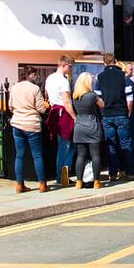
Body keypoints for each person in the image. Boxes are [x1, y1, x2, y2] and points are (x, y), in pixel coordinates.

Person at [9, 67, 49, 193]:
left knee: (19, 156)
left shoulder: (14, 87)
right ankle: (42, 185)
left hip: (17, 124)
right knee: (37, 156)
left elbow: (10, 106)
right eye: (35, 75)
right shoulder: (35, 89)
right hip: (32, 125)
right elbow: (41, 108)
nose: (36, 77)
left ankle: (19, 185)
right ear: (30, 75)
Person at [96, 54, 134, 183]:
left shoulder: (99, 77)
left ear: (104, 63)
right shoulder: (123, 76)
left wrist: (104, 110)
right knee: (126, 143)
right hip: (121, 113)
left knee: (111, 145)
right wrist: (128, 111)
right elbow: (129, 97)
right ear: (116, 62)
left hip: (107, 114)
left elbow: (98, 98)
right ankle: (129, 172)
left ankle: (112, 173)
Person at [44, 56, 76, 187]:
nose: (71, 69)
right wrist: (75, 117)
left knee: (62, 145)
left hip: (54, 112)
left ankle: (61, 176)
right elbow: (67, 102)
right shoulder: (64, 81)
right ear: (64, 65)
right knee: (68, 146)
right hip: (64, 114)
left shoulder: (49, 78)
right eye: (70, 66)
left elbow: (46, 95)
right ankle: (63, 176)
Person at [71, 72, 105, 190]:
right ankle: (96, 181)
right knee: (95, 155)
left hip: (79, 126)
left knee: (81, 155)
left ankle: (79, 182)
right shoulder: (92, 96)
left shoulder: (75, 96)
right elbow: (102, 105)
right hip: (92, 126)